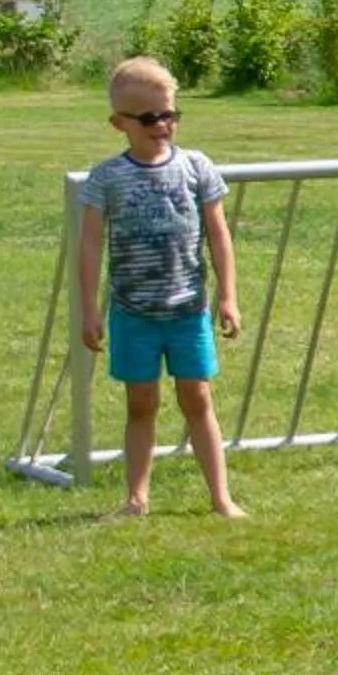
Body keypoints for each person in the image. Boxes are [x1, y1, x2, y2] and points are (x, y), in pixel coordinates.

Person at [76, 55, 244, 519]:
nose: (162, 125)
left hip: (188, 311)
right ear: (119, 123)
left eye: (169, 114)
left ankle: (221, 497)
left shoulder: (196, 167)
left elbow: (218, 233)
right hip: (133, 314)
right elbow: (90, 246)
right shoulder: (106, 178)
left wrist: (228, 296)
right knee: (141, 403)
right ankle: (136, 498)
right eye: (149, 117)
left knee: (198, 397)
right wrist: (90, 310)